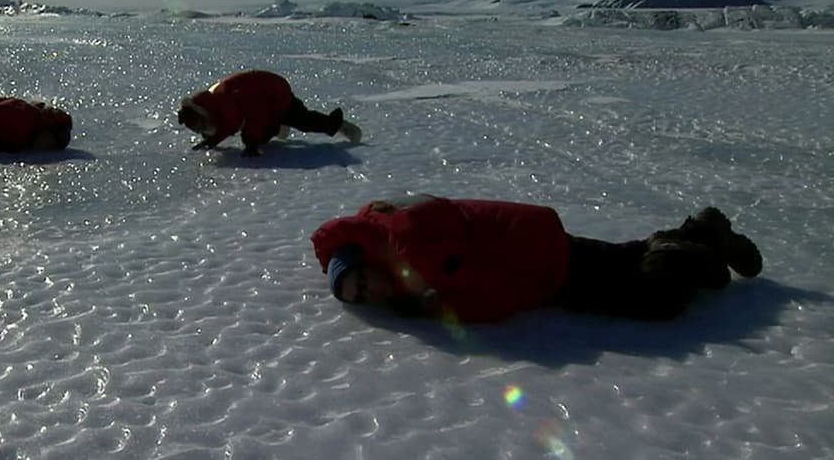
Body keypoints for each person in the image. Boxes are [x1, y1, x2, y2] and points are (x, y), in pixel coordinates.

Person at [311, 194, 763, 322]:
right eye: (362, 298)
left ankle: (694, 249)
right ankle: (695, 233)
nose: (371, 293)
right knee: (621, 258)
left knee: (657, 303)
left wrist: (434, 308)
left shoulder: (414, 253)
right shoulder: (381, 229)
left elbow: (496, 296)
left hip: (537, 265)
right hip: (526, 234)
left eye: (362, 283)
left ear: (365, 264)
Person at [176, 69, 362, 157]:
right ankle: (278, 124)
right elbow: (226, 125)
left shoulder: (228, 103)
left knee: (302, 120)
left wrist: (250, 144)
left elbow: (256, 119)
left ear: (202, 115)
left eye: (198, 125)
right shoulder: (213, 105)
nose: (199, 130)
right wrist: (212, 140)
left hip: (275, 93)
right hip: (263, 93)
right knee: (265, 133)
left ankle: (338, 124)